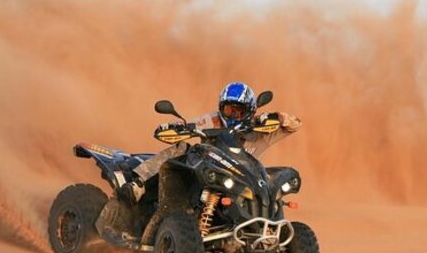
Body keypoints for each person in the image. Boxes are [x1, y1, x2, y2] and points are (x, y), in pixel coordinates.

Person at [118, 82, 302, 203]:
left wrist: (280, 117)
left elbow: (294, 125)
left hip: (246, 184)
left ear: (250, 110)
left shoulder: (260, 130)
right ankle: (138, 185)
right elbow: (190, 126)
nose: (233, 115)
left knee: (275, 187)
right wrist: (178, 127)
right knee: (182, 148)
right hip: (210, 175)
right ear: (221, 108)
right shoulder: (213, 120)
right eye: (228, 109)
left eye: (238, 111)